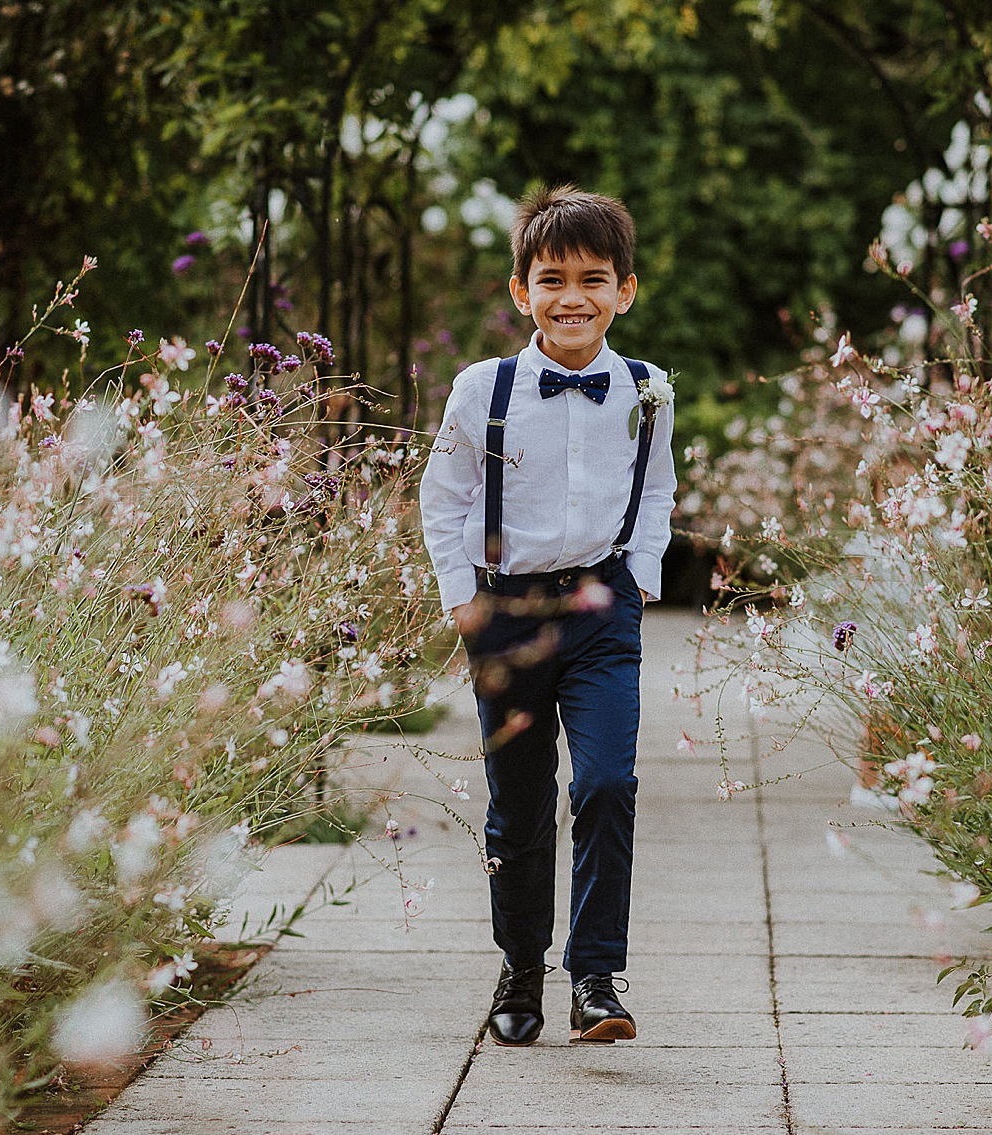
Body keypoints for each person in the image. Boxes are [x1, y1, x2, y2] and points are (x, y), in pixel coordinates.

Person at [419, 185, 676, 1046]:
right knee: (518, 804)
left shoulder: (647, 389)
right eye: (553, 279)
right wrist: (463, 597)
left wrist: (639, 573)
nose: (574, 297)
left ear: (625, 291)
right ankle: (520, 964)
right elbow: (442, 497)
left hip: (604, 611)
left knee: (607, 783)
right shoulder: (481, 389)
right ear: (521, 291)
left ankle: (596, 976)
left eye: (594, 279)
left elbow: (657, 487)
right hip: (507, 611)